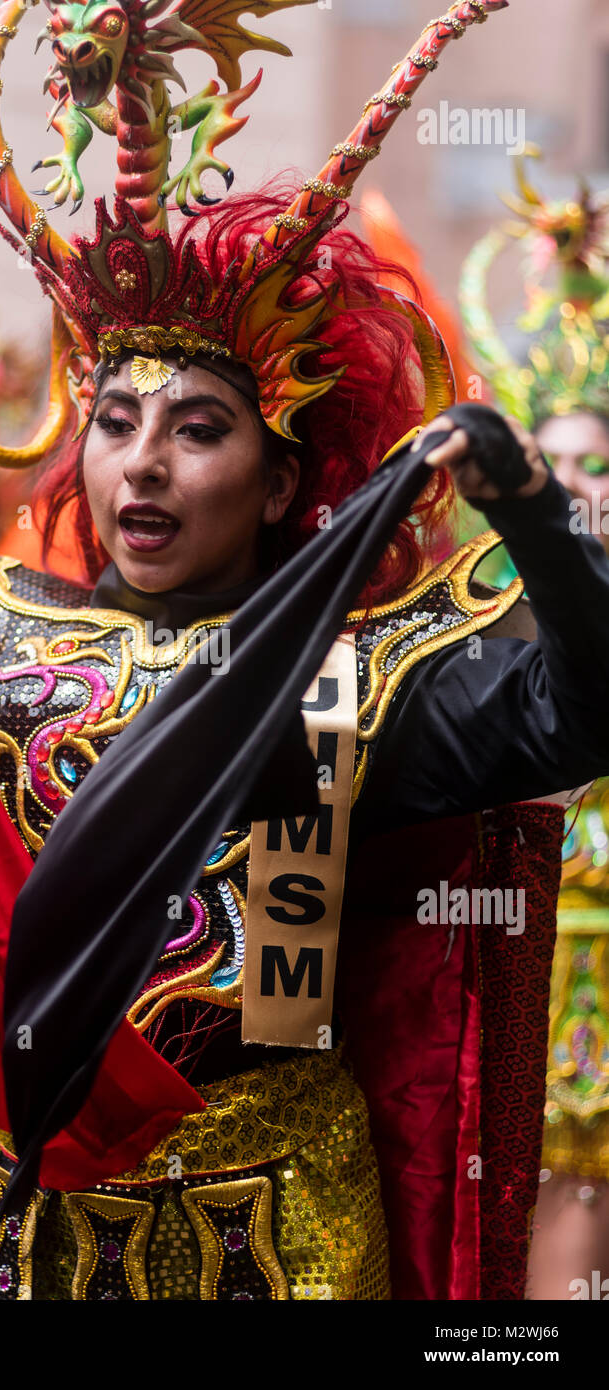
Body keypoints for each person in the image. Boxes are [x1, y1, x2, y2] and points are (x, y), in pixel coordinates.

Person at [0, 1, 605, 1301]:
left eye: (198, 426)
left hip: (273, 1237)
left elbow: (586, 707)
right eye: (115, 418)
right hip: (28, 1230)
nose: (142, 460)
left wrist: (533, 507)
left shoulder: (354, 677)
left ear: (273, 483)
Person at [459, 153, 609, 1299]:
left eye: (594, 465)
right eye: (552, 467)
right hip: (520, 945)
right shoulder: (475, 605)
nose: (576, 487)